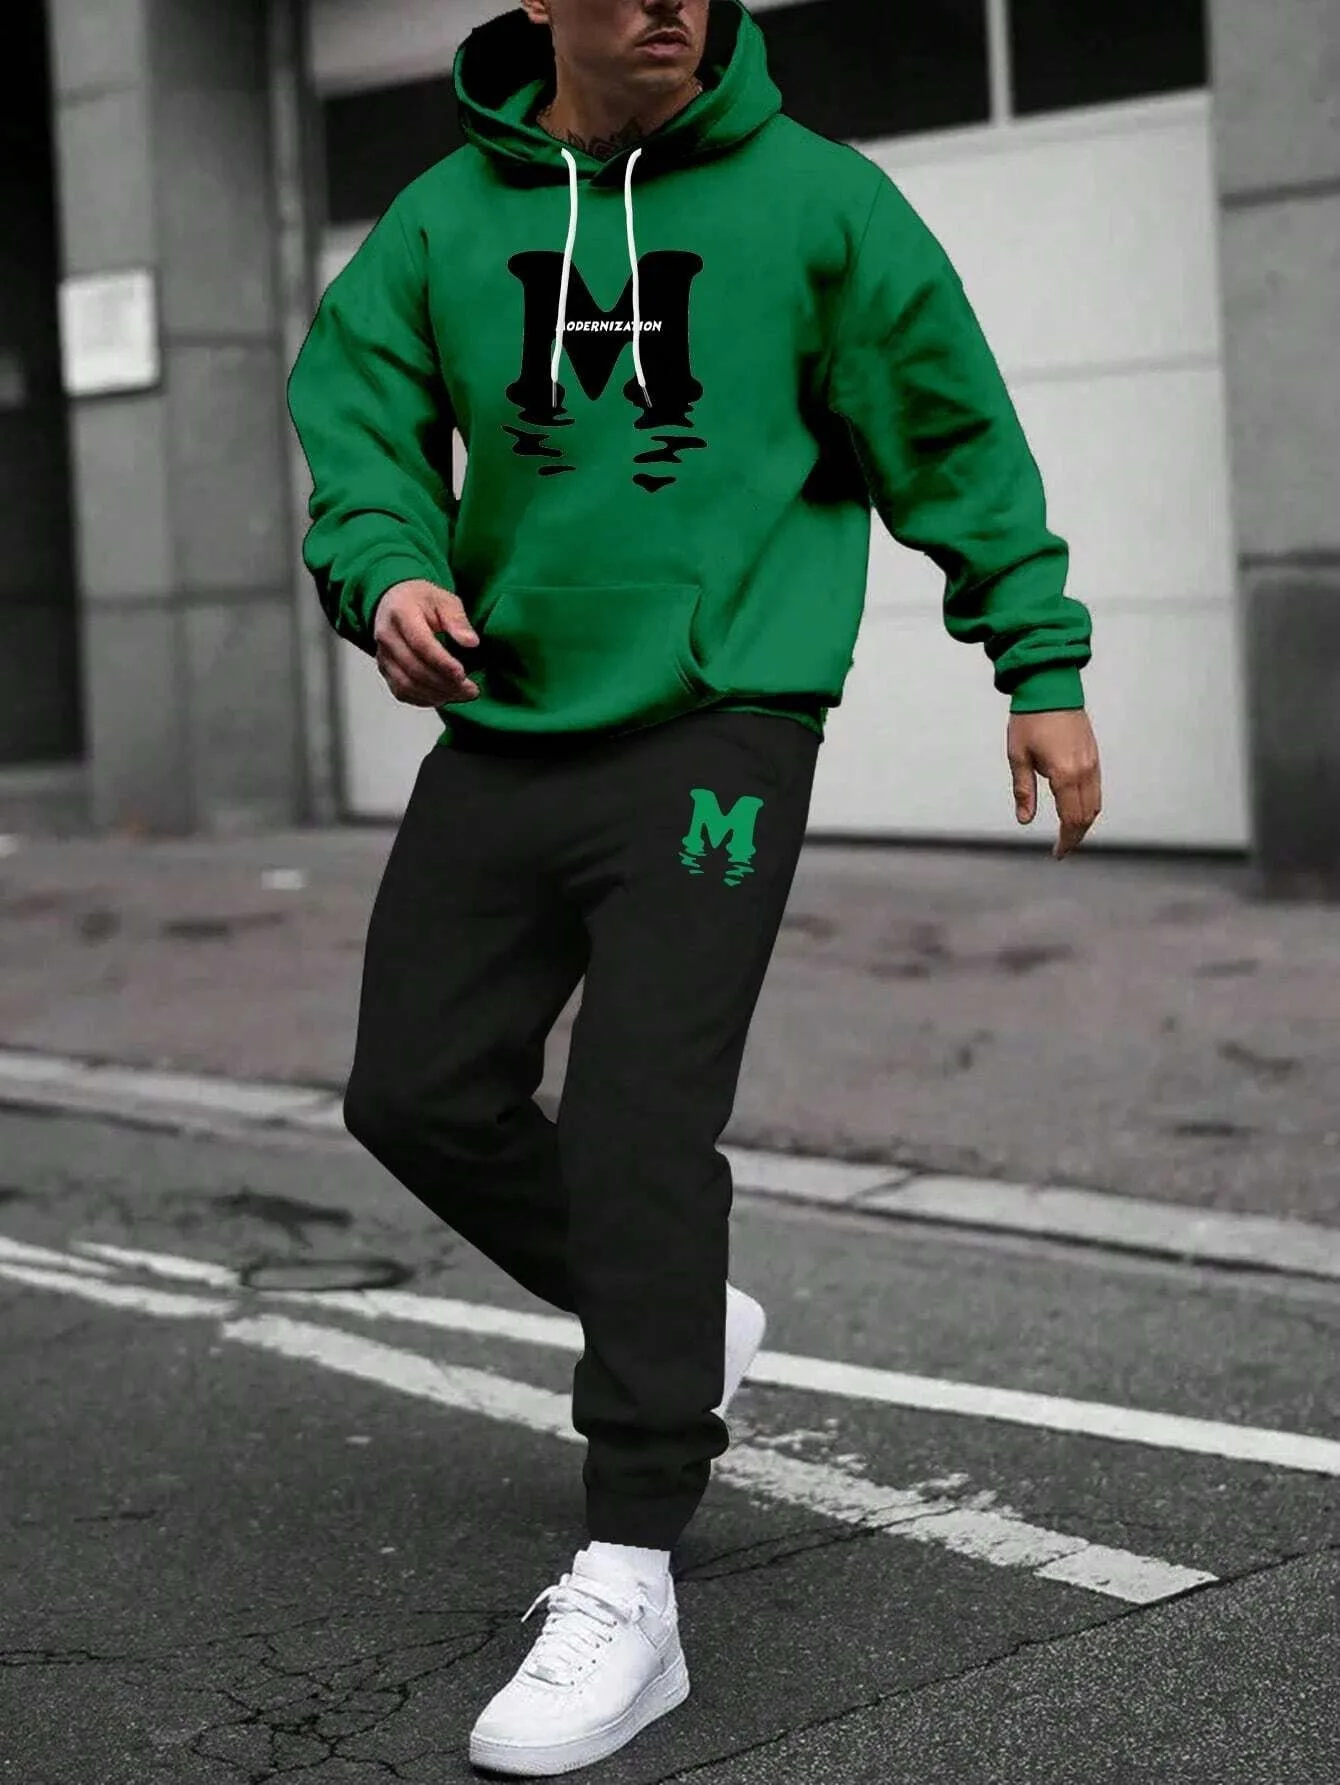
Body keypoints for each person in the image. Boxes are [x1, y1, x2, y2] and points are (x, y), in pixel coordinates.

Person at [287, 0, 1103, 1772]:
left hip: (723, 723)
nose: (671, 1)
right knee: (412, 1091)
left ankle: (634, 1570)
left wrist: (1035, 657)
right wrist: (389, 572)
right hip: (508, 715)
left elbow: (949, 429)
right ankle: (680, 1310)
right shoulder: (443, 218)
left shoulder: (818, 202)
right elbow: (358, 425)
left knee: (639, 1124)